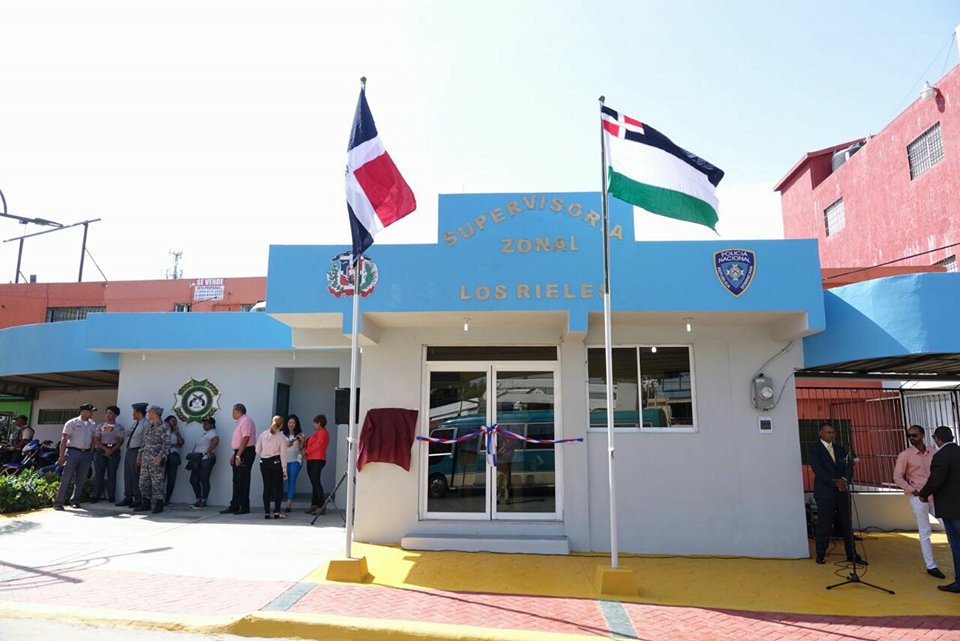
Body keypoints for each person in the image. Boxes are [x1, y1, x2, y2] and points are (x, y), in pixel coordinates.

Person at [808, 422, 867, 565]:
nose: (831, 435)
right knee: (824, 523)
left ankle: (852, 554)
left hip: (842, 491)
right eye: (828, 432)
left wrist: (845, 480)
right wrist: (835, 482)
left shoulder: (840, 449)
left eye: (833, 432)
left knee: (847, 523)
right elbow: (818, 470)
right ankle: (821, 554)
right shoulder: (814, 449)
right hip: (825, 492)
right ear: (821, 433)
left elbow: (849, 466)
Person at [894, 425, 946, 579]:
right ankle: (931, 566)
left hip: (936, 495)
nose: (911, 438)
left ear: (923, 435)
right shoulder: (905, 455)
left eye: (914, 435)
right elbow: (897, 477)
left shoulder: (933, 452)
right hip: (918, 496)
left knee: (948, 525)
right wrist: (912, 490)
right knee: (925, 531)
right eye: (909, 436)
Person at [918, 426, 960, 593]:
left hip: (951, 507)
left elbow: (936, 480)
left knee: (956, 544)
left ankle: (959, 582)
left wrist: (923, 494)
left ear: (937, 438)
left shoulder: (941, 455)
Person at [53, 403, 98, 510]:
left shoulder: (92, 424)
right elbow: (64, 440)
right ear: (83, 411)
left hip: (86, 453)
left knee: (81, 479)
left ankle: (75, 501)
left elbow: (93, 440)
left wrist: (91, 454)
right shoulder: (72, 423)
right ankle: (59, 503)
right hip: (73, 452)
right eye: (90, 411)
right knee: (66, 478)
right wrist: (61, 456)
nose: (91, 413)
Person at [221, 403, 256, 515]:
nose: (232, 413)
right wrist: (235, 454)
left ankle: (244, 506)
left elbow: (246, 438)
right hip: (240, 451)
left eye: (233, 411)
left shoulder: (246, 420)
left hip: (245, 452)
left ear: (238, 411)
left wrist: (238, 455)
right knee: (236, 480)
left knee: (243, 480)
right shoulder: (240, 422)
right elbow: (239, 441)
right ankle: (234, 505)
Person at [135, 406, 170, 514]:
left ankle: (159, 504)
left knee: (157, 482)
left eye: (149, 412)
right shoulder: (150, 426)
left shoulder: (164, 426)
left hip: (156, 459)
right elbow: (144, 443)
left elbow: (166, 444)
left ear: (155, 413)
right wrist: (139, 455)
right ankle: (146, 502)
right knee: (143, 482)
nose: (148, 414)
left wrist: (160, 456)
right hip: (145, 459)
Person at [256, 415, 288, 519]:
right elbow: (283, 454)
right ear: (281, 425)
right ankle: (277, 512)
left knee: (267, 487)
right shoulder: (281, 437)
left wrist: (265, 453)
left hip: (264, 462)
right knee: (278, 487)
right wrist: (284, 469)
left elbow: (257, 450)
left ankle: (266, 512)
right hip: (275, 462)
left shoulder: (263, 434)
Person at [91, 406, 125, 504]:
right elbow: (96, 439)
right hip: (101, 450)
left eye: (110, 413)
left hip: (114, 450)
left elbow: (120, 441)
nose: (107, 415)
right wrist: (105, 449)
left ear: (115, 415)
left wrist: (111, 450)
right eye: (107, 413)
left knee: (112, 473)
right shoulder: (100, 426)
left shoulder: (119, 427)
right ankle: (95, 495)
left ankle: (111, 496)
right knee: (99, 474)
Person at [117, 402, 148, 507]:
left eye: (134, 412)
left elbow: (145, 441)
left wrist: (140, 455)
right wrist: (114, 431)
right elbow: (128, 433)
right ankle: (128, 497)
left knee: (135, 475)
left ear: (139, 413)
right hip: (129, 451)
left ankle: (138, 498)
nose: (132, 414)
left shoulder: (146, 424)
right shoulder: (135, 423)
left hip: (137, 451)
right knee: (127, 475)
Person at [189, 416, 219, 508]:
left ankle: (203, 500)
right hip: (198, 459)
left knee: (204, 479)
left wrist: (209, 450)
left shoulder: (212, 433)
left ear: (212, 425)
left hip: (206, 459)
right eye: (203, 423)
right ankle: (198, 500)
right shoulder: (206, 433)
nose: (204, 425)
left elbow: (216, 441)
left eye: (206, 423)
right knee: (193, 479)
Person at [304, 414, 330, 515]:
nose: (313, 424)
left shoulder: (323, 432)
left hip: (317, 459)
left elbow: (318, 445)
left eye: (315, 422)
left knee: (316, 482)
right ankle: (315, 504)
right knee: (314, 482)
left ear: (319, 423)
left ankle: (321, 505)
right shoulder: (318, 433)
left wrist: (306, 452)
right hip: (312, 459)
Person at [281, 415, 304, 513]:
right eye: (289, 422)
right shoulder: (281, 434)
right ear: (286, 423)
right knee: (282, 481)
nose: (291, 425)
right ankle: (278, 502)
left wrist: (302, 441)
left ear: (296, 424)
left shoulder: (300, 435)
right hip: (284, 461)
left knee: (292, 480)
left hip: (295, 461)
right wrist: (286, 444)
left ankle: (289, 504)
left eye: (293, 423)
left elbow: (301, 448)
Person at [163, 415, 185, 504]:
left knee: (171, 479)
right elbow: (164, 444)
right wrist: (175, 445)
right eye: (173, 421)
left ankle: (167, 499)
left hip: (173, 457)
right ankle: (158, 499)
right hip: (164, 457)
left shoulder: (176, 432)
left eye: (176, 421)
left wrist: (177, 433)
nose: (175, 423)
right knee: (161, 479)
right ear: (167, 422)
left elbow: (181, 443)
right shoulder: (163, 431)